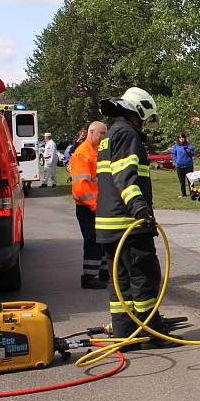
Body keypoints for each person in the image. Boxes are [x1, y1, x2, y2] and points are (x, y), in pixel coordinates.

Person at [96, 87, 172, 348]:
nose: (145, 125)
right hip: (128, 222)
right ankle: (154, 334)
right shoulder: (128, 134)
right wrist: (141, 209)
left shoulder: (110, 134)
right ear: (138, 112)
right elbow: (125, 178)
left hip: (108, 224)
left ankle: (124, 335)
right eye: (145, 119)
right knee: (144, 277)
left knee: (120, 283)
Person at [70, 121, 109, 290]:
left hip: (97, 206)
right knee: (93, 241)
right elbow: (80, 188)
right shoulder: (82, 154)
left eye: (105, 134)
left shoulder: (97, 152)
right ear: (91, 132)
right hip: (88, 207)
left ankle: (104, 273)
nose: (104, 137)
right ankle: (89, 277)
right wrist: (95, 206)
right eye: (101, 134)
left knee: (103, 240)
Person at [171, 133, 195, 198]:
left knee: (190, 180)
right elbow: (173, 154)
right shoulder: (176, 146)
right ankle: (183, 194)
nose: (182, 139)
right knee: (182, 181)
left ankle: (192, 193)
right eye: (180, 138)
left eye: (183, 137)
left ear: (185, 138)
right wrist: (176, 162)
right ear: (178, 139)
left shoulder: (189, 145)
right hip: (179, 166)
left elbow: (193, 154)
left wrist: (189, 151)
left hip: (188, 166)